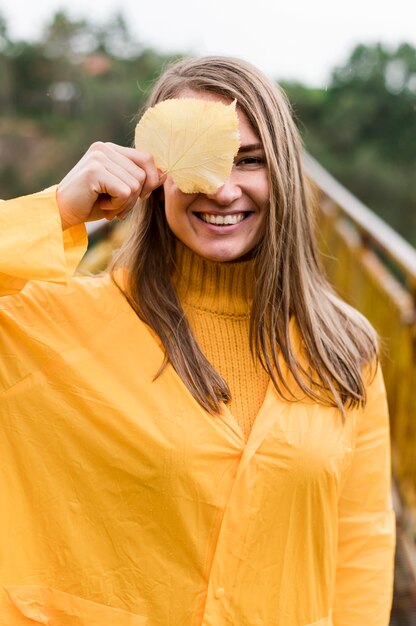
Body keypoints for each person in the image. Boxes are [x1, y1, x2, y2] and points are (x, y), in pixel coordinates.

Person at [0, 56, 395, 626]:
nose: (223, 188)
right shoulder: (53, 326)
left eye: (249, 161)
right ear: (154, 173)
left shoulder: (343, 350)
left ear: (284, 171)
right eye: (200, 161)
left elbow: (359, 544)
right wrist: (57, 210)